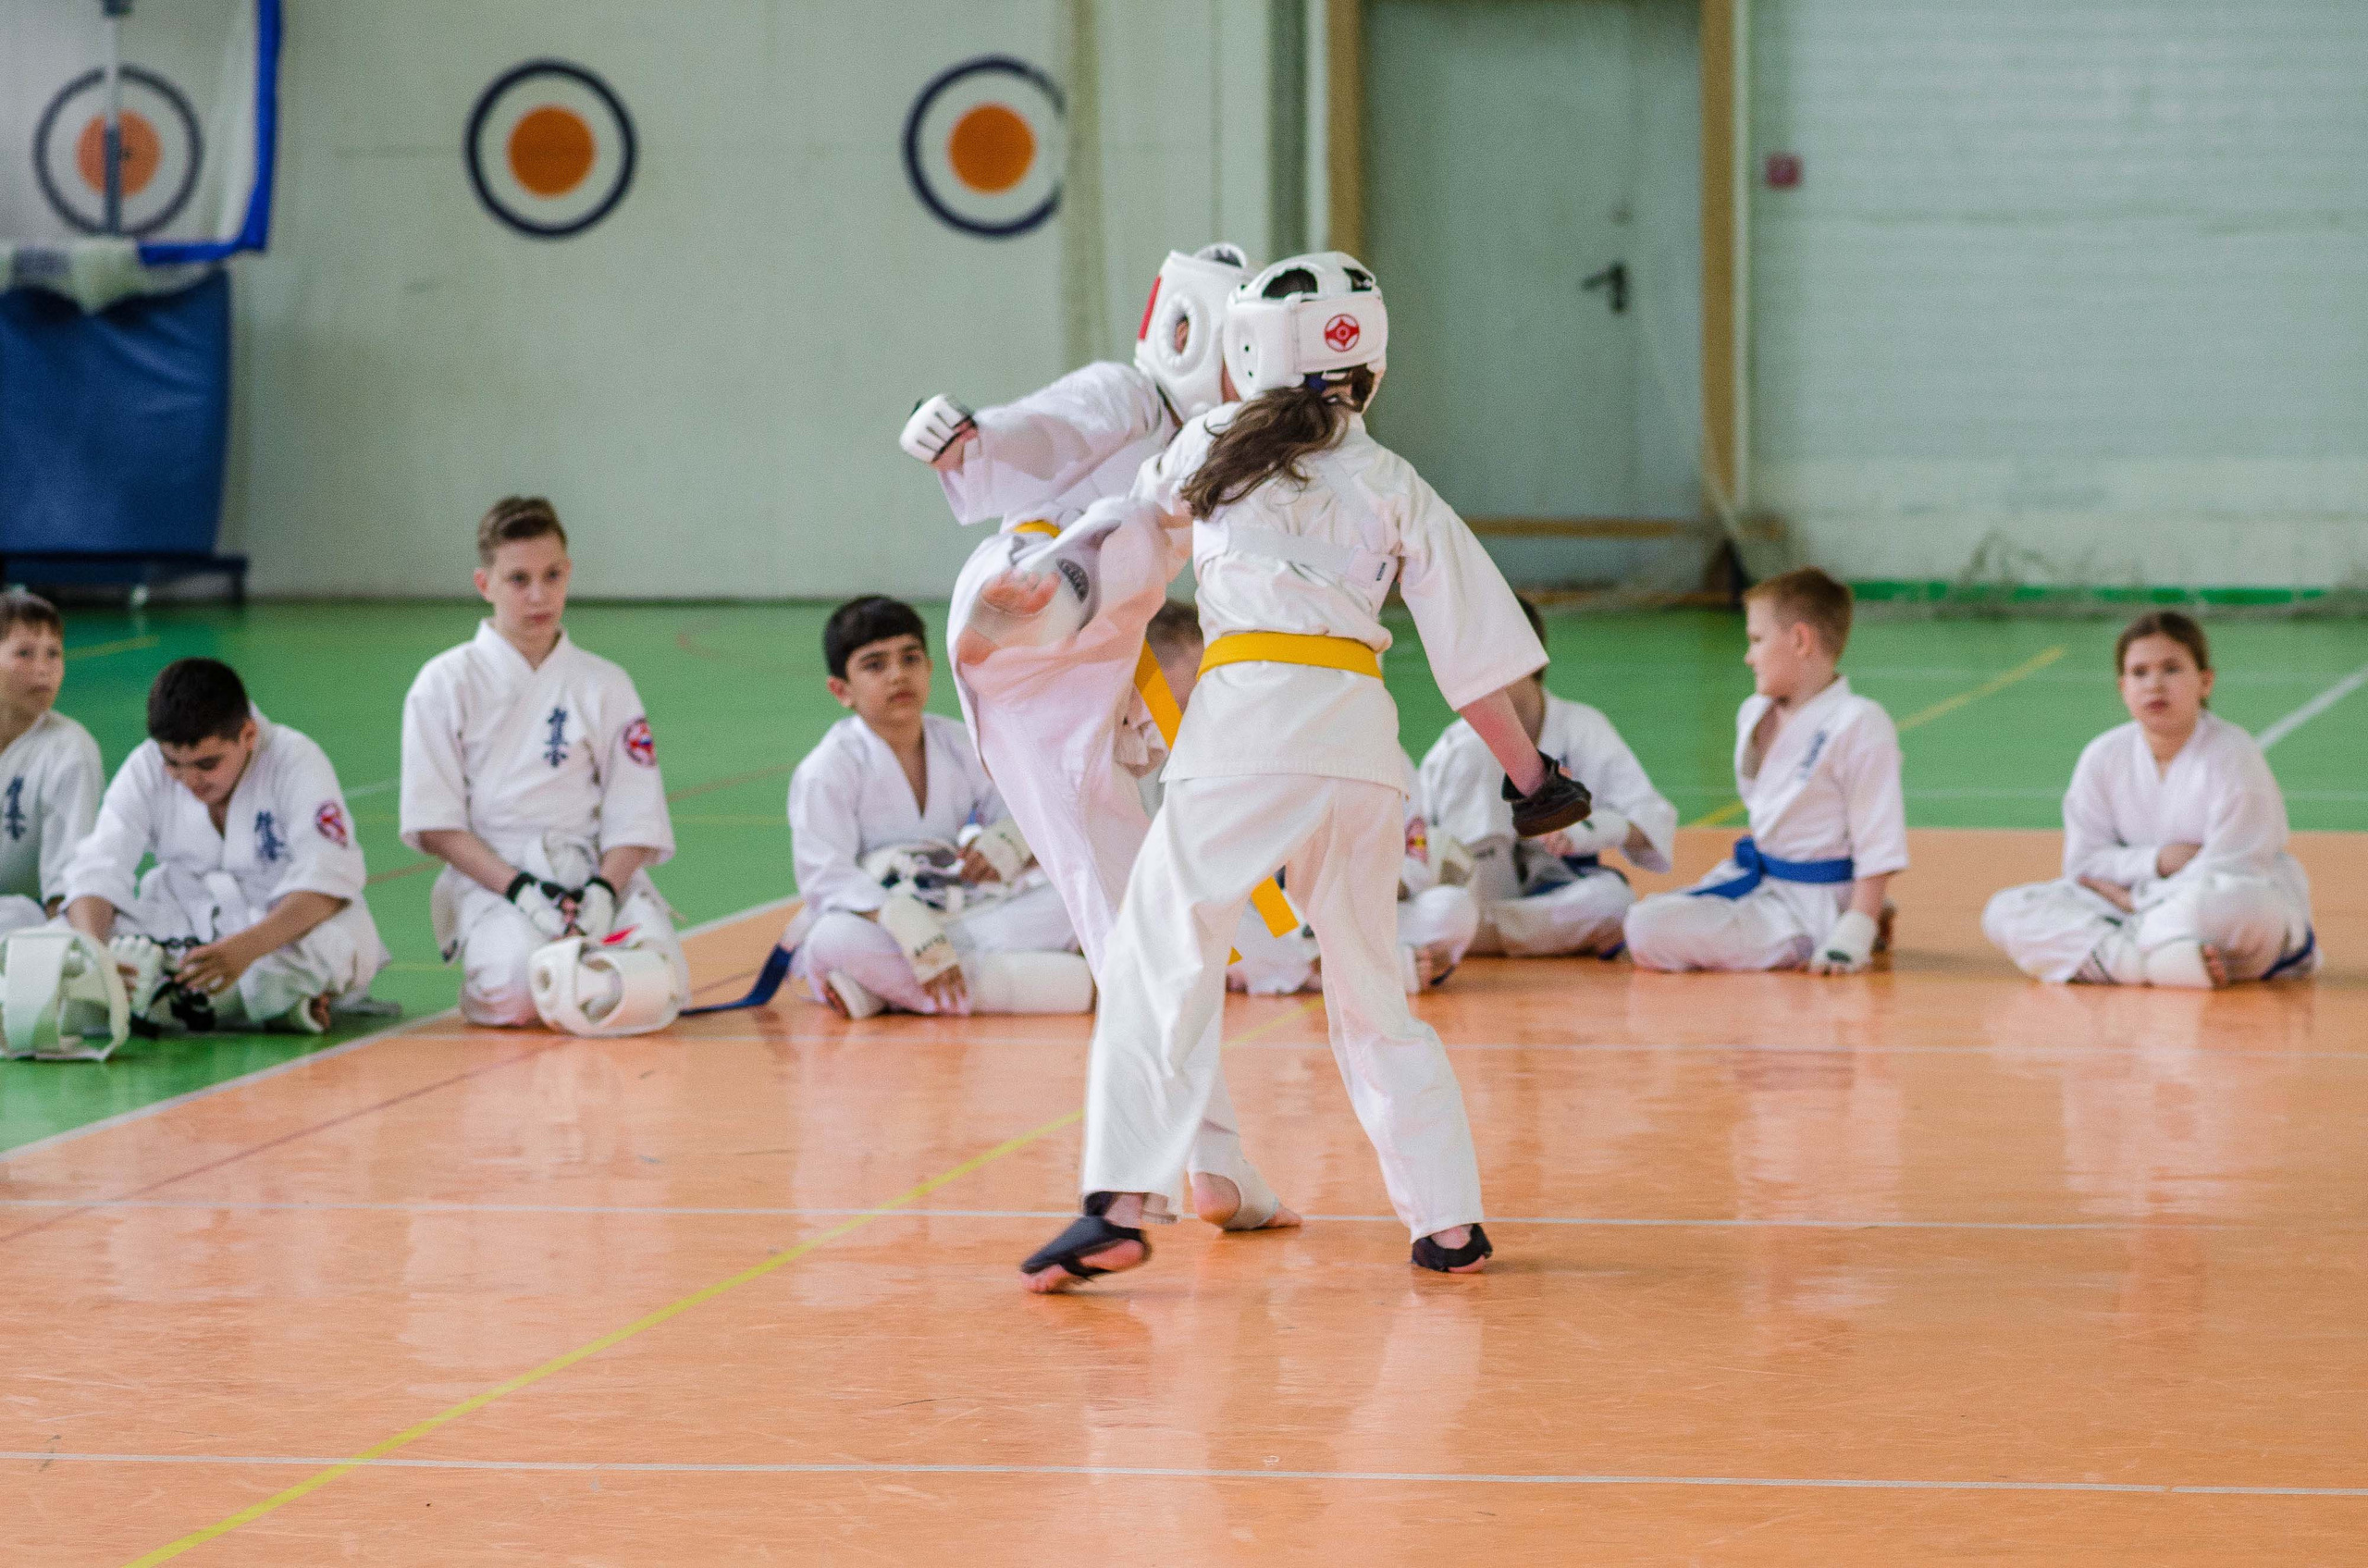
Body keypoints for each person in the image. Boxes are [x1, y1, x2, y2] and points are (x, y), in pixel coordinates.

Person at [1017, 252, 1591, 1292]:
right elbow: (1474, 658)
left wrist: (1052, 588)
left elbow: (1126, 536)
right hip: (1360, 747)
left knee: (1162, 954)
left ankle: (1116, 1203)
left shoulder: (1211, 446)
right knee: (1374, 991)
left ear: (1249, 350)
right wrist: (1532, 777)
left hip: (1244, 733)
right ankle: (1448, 1222)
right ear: (1368, 360)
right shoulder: (1391, 481)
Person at [401, 497, 687, 1028]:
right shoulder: (443, 684)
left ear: (569, 574)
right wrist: (522, 891)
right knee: (518, 991)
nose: (539, 595)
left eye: (552, 575)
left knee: (659, 986)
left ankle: (600, 936)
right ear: (484, 585)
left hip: (592, 868)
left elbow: (635, 809)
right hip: (496, 876)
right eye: (518, 579)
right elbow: (436, 825)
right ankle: (491, 971)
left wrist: (602, 890)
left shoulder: (605, 683)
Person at [787, 595, 1092, 1019]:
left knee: (1071, 894)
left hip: (960, 912)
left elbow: (1019, 812)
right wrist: (896, 915)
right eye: (875, 665)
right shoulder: (828, 769)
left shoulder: (958, 743)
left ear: (929, 669)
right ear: (841, 690)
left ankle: (885, 990)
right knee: (832, 939)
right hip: (883, 926)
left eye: (910, 658)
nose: (897, 675)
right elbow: (825, 878)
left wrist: (1006, 841)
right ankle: (1031, 987)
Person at [1981, 611, 2316, 988]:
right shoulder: (2103, 755)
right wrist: (2154, 862)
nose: (2154, 684)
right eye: (2140, 673)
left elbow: (2234, 868)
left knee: (2240, 903)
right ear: (2123, 687)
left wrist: (2137, 900)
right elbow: (2083, 865)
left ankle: (2130, 957)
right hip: (2132, 911)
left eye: (2171, 669)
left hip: (2206, 910)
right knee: (2007, 911)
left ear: (2205, 681)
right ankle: (2154, 963)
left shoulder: (2233, 754)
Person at [61, 658, 388, 1032]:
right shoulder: (145, 767)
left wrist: (248, 948)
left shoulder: (295, 760)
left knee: (338, 939)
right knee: (68, 935)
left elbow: (327, 881)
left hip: (274, 930)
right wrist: (96, 954)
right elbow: (98, 868)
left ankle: (157, 1003)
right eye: (173, 764)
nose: (189, 779)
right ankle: (272, 1006)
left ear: (247, 736)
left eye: (207, 764)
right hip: (185, 921)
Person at [1622, 568, 1906, 975]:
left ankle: (1854, 914)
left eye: (1757, 640)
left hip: (1812, 898)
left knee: (1647, 929)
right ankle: (1853, 912)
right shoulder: (1754, 712)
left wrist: (1854, 931)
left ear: (1800, 640)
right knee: (1646, 917)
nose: (1748, 656)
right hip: (1763, 880)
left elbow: (1878, 837)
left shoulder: (1859, 721)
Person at [901, 243, 1252, 525]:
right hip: (1032, 578)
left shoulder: (1209, 450)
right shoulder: (1126, 394)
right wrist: (974, 442)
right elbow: (1049, 431)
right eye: (1243, 355)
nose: (1254, 380)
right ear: (1186, 339)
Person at [1421, 595, 1676, 957]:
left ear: (1528, 656)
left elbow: (1649, 816)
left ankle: (1480, 935)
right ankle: (1505, 930)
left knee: (1612, 900)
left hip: (1554, 889)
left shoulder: (1582, 727)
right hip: (1470, 888)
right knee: (1474, 756)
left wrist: (1597, 828)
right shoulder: (1457, 748)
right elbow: (1413, 841)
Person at [0, 591, 103, 936]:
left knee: (18, 915)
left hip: (26, 923)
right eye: (24, 653)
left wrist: (71, 950)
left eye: (53, 654)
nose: (43, 669)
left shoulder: (70, 749)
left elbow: (69, 884)